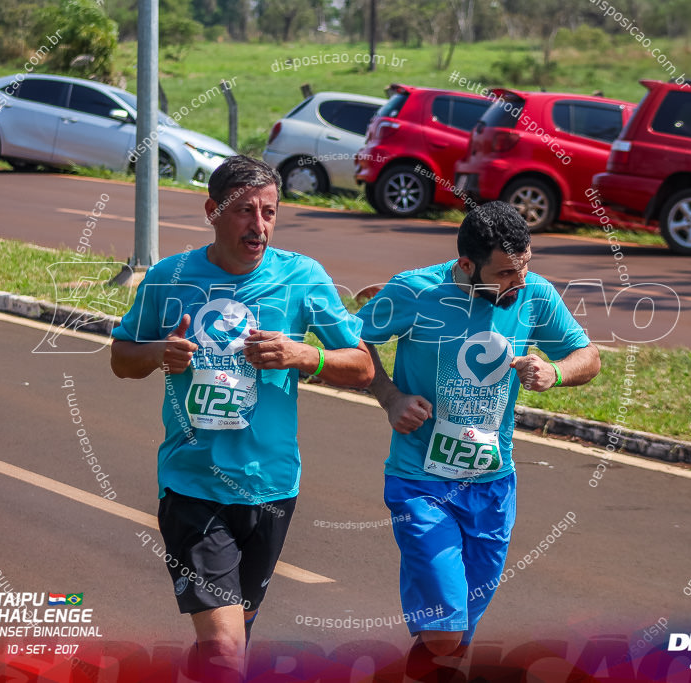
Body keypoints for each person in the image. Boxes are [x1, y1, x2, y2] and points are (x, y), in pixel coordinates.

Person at [110, 155, 374, 682]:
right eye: (245, 212)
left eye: (270, 213)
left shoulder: (303, 277)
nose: (259, 227)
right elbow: (122, 358)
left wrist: (306, 356)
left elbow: (363, 365)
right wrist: (162, 351)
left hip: (273, 487)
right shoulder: (171, 277)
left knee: (239, 630)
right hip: (192, 486)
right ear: (212, 211)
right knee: (228, 649)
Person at [358, 200, 600, 678]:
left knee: (456, 635)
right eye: (507, 273)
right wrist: (390, 397)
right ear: (467, 265)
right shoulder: (415, 290)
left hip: (493, 485)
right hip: (420, 482)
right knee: (447, 628)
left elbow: (587, 356)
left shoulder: (534, 295)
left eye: (526, 267)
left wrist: (555, 371)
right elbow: (352, 341)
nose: (521, 282)